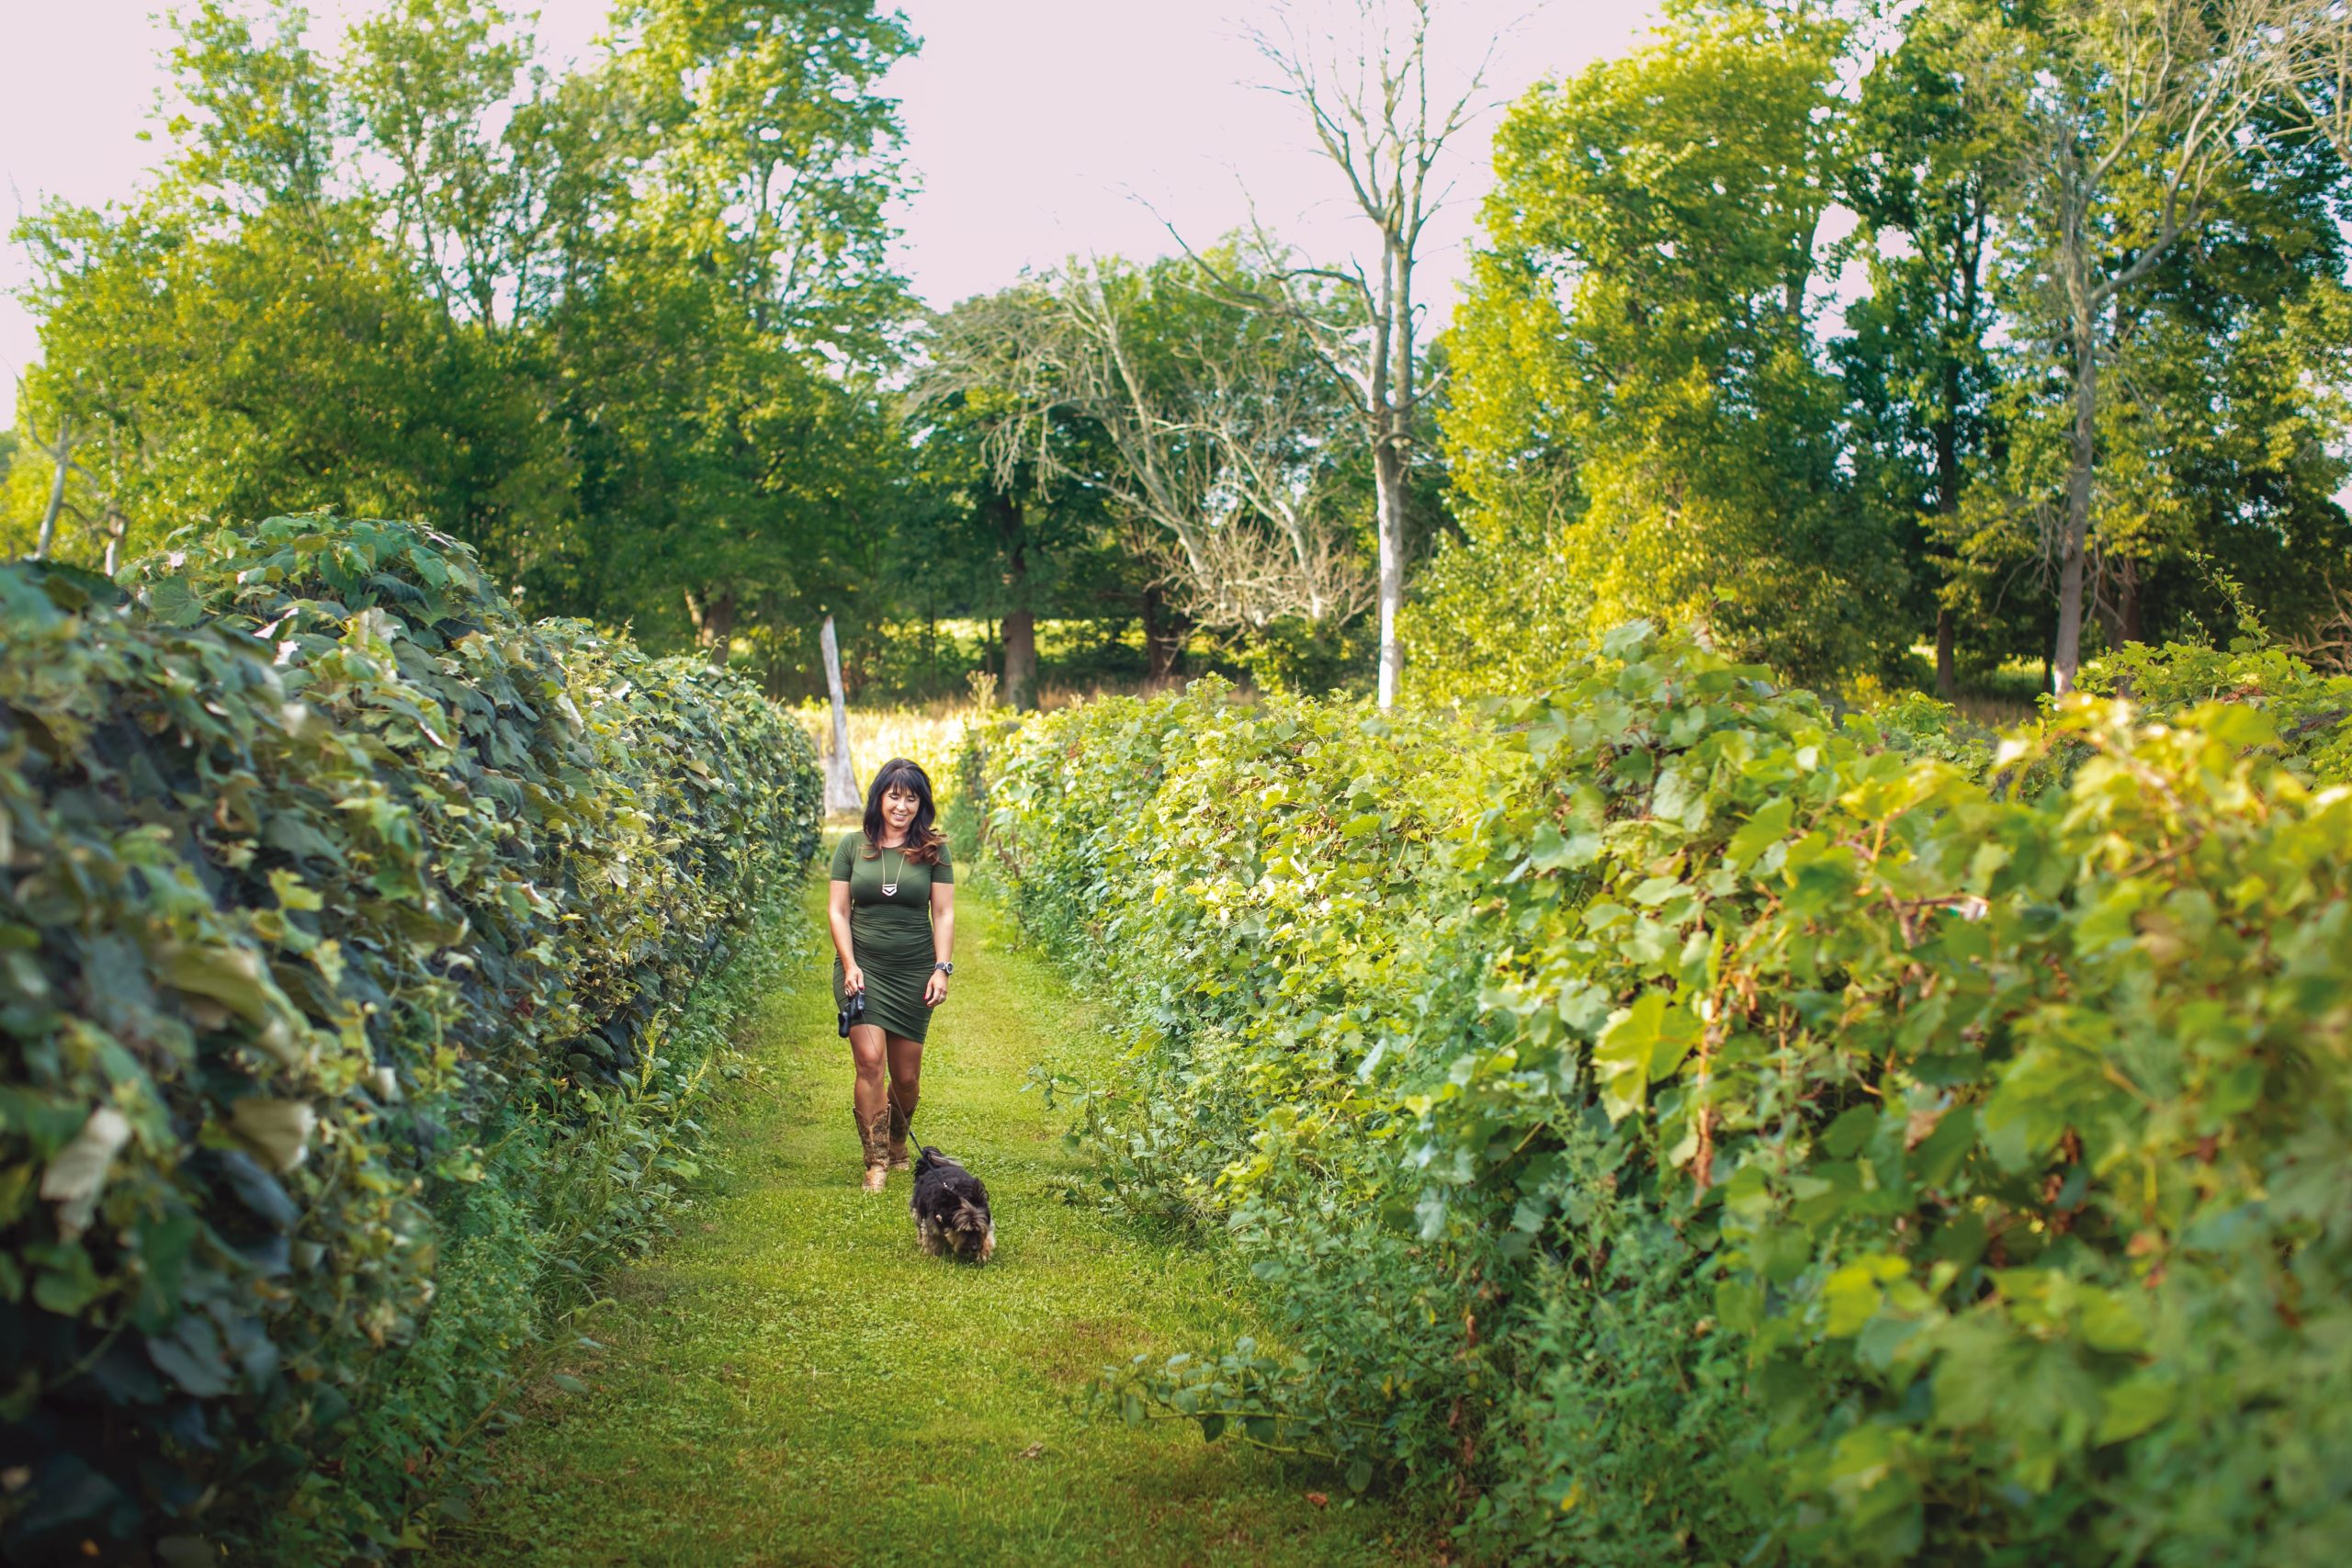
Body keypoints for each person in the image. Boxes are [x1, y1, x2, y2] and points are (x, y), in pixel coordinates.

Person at [828, 759, 955, 1191]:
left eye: (911, 797)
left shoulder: (934, 850)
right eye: (894, 795)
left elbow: (944, 911)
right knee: (870, 1062)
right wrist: (849, 964)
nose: (901, 805)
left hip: (914, 972)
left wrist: (942, 968)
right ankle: (876, 1162)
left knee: (906, 1078)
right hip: (862, 969)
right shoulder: (851, 846)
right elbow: (838, 910)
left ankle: (899, 1141)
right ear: (880, 798)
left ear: (921, 804)